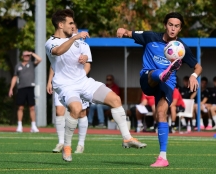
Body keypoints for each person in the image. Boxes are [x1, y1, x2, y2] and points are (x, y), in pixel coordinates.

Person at [45, 9, 146, 162]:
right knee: (76, 109)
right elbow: (59, 51)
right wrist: (76, 37)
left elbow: (86, 60)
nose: (73, 26)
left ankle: (127, 138)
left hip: (84, 82)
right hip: (65, 86)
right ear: (60, 25)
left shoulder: (79, 40)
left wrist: (84, 58)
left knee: (115, 99)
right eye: (70, 23)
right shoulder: (51, 42)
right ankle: (66, 146)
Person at [117, 12, 202, 167]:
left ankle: (163, 158)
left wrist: (194, 76)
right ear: (165, 25)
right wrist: (123, 31)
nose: (173, 29)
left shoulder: (181, 48)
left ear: (180, 29)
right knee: (152, 73)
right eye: (170, 25)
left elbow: (198, 66)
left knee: (161, 113)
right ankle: (161, 74)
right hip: (148, 80)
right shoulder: (150, 37)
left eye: (176, 26)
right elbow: (129, 33)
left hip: (167, 84)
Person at [46, 23, 91, 153]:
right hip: (61, 85)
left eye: (74, 27)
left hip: (78, 85)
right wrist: (49, 81)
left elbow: (88, 64)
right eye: (70, 26)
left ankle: (80, 144)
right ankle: (61, 142)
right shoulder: (59, 44)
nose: (72, 29)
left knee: (81, 112)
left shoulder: (83, 45)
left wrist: (80, 76)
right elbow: (54, 64)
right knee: (59, 112)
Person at [8, 51, 42, 132]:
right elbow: (15, 77)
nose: (27, 57)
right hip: (21, 88)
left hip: (30, 88)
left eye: (28, 56)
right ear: (22, 56)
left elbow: (40, 59)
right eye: (25, 55)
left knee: (32, 107)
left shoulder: (32, 64)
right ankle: (19, 126)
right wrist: (11, 88)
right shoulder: (18, 66)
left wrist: (31, 53)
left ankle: (33, 126)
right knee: (20, 107)